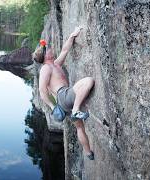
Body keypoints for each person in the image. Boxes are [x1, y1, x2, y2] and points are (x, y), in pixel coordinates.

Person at [33, 26, 95, 160]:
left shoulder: (54, 64)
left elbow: (65, 50)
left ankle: (88, 152)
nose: (50, 49)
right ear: (46, 55)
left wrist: (73, 35)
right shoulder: (45, 68)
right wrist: (52, 106)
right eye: (48, 49)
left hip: (65, 100)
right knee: (88, 81)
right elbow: (42, 90)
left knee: (79, 128)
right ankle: (76, 109)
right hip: (63, 96)